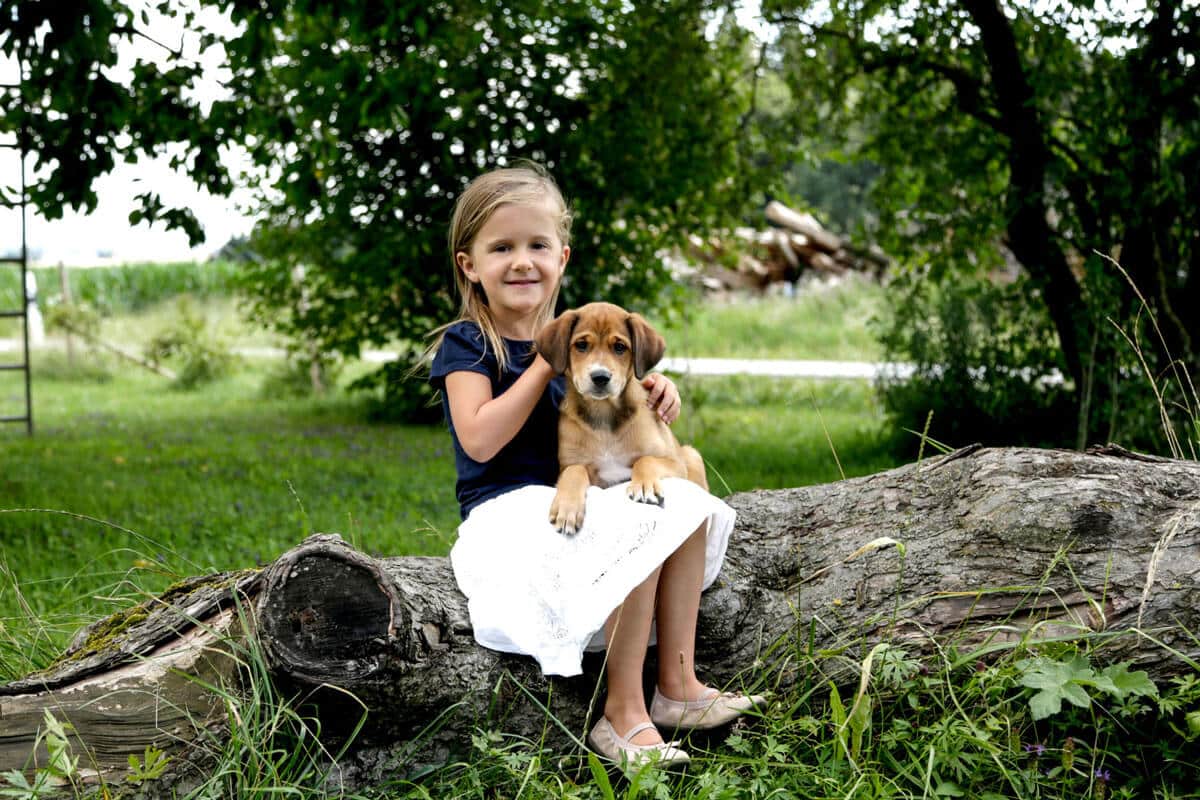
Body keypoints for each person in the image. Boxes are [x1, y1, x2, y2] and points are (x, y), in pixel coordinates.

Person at [427, 164, 764, 769]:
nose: (522, 260)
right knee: (628, 524)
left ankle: (678, 686)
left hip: (575, 508)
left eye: (536, 245)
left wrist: (650, 388)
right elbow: (479, 441)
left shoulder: (587, 344)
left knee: (678, 497)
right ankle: (622, 715)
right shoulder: (469, 344)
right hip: (508, 516)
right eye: (501, 247)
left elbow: (616, 415)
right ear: (470, 264)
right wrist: (544, 362)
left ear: (562, 256)